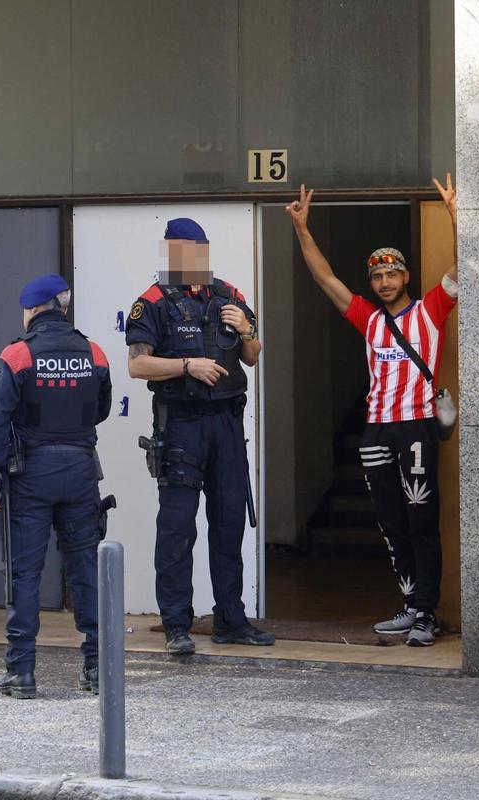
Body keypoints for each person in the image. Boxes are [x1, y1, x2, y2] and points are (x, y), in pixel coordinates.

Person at [287, 175, 459, 647]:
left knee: (422, 521)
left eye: (392, 275)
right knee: (391, 523)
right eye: (378, 277)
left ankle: (426, 614)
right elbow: (325, 279)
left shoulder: (430, 311)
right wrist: (302, 228)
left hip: (416, 427)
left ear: (405, 277)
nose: (385, 282)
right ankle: (411, 605)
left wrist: (456, 216)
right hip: (376, 431)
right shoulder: (368, 318)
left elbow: (461, 268)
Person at [125, 218, 272, 656]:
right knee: (177, 528)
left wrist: (247, 330)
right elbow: (137, 365)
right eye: (181, 250)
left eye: (196, 250)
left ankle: (231, 620)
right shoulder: (153, 301)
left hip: (227, 423)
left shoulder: (229, 295)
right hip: (182, 424)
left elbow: (253, 356)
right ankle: (176, 624)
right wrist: (187, 366)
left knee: (228, 525)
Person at [0, 274, 112, 698]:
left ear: (33, 309)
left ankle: (21, 671)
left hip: (30, 475)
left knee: (24, 572)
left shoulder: (18, 355)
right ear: (62, 308)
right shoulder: (94, 352)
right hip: (80, 470)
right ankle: (97, 668)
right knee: (85, 568)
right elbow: (102, 409)